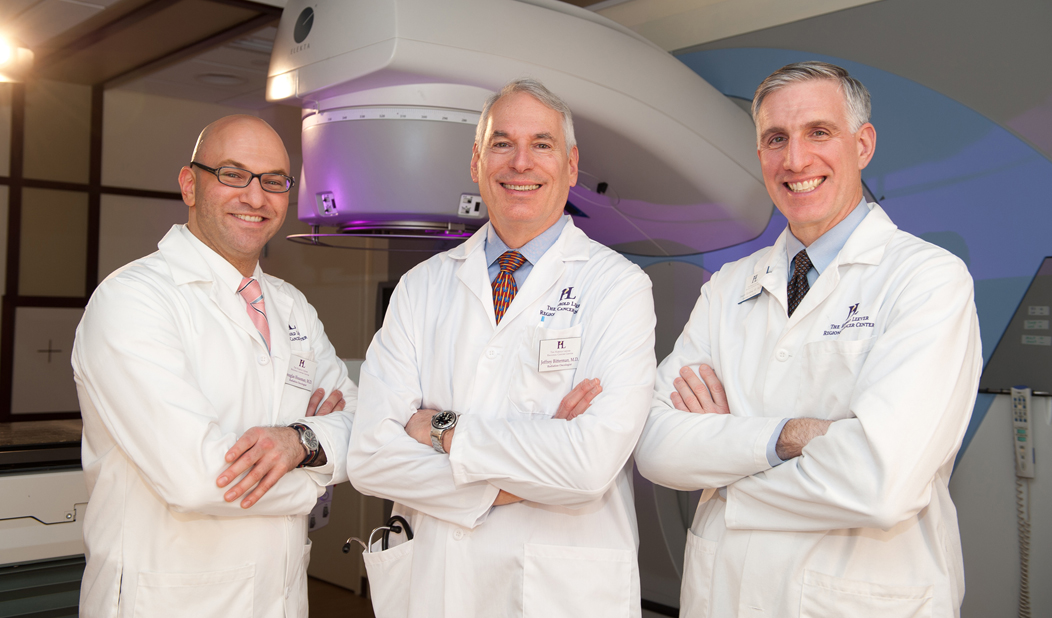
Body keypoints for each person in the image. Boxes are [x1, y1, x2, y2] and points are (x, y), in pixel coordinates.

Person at [635, 62, 982, 617]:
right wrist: (790, 436)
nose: (795, 160)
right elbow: (654, 445)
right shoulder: (729, 287)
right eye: (776, 139)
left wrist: (724, 472)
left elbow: (879, 482)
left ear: (862, 144)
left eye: (818, 132)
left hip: (858, 597)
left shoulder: (926, 279)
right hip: (725, 594)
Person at [347, 79, 656, 617]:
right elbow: (371, 459)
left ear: (571, 164)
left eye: (542, 144)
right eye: (501, 143)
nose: (520, 162)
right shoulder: (421, 287)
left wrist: (441, 430)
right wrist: (525, 476)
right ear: (476, 161)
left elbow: (588, 466)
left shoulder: (618, 286)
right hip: (436, 584)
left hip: (558, 592)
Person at [72, 115, 356, 618]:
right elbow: (199, 479)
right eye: (232, 174)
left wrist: (299, 443)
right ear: (190, 184)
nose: (255, 196)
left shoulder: (292, 307)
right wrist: (320, 470)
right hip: (169, 599)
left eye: (273, 182)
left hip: (281, 595)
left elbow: (364, 428)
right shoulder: (133, 300)